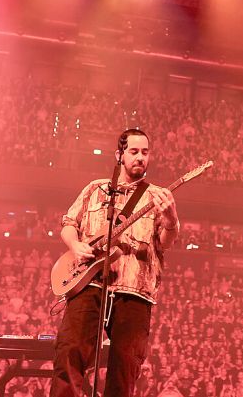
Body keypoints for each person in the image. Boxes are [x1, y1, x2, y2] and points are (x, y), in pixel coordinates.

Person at [50, 128, 180, 397]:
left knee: (125, 368)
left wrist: (171, 219)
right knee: (69, 353)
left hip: (134, 292)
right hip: (89, 284)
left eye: (145, 152)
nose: (140, 157)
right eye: (134, 151)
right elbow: (68, 224)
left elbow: (166, 242)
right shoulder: (95, 189)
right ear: (120, 155)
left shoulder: (156, 196)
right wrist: (76, 246)